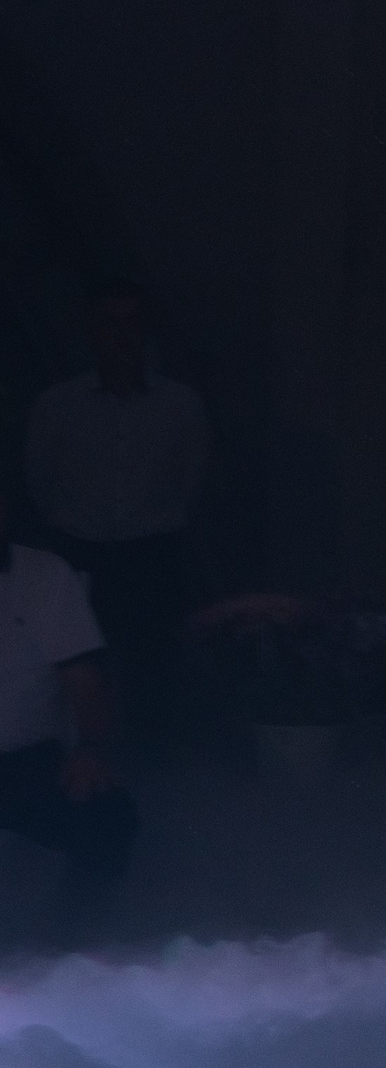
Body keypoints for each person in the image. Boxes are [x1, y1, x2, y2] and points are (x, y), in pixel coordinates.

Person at [26, 283, 209, 745]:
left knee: (154, 665)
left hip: (153, 552)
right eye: (110, 323)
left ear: (146, 331)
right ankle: (83, 755)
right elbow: (40, 479)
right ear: (92, 331)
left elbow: (191, 479)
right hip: (80, 551)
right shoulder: (58, 405)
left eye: (132, 322)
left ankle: (151, 759)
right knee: (78, 661)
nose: (122, 335)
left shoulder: (180, 405)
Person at [0, 484, 138, 881]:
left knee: (108, 817)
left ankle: (78, 922)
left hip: (27, 762)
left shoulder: (43, 576)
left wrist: (91, 748)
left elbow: (86, 679)